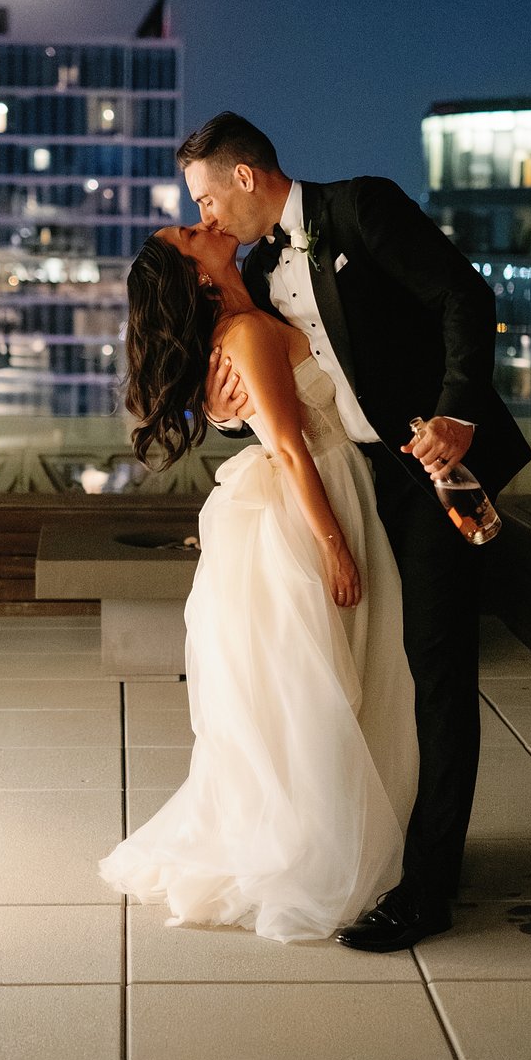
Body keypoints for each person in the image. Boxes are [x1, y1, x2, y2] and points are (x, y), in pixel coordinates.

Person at [180, 111, 531, 952]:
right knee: (370, 672)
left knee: (437, 664)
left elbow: (463, 295)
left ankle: (430, 887)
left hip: (429, 473)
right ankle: (379, 841)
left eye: (204, 196)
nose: (206, 217)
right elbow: (280, 385)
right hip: (353, 485)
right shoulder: (259, 270)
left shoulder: (361, 208)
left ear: (244, 176)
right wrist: (229, 420)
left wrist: (456, 412)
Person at [97, 221, 419, 943]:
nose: (203, 222)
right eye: (189, 232)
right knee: (315, 688)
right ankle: (315, 848)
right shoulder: (242, 331)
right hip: (311, 504)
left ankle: (326, 833)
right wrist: (336, 547)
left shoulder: (253, 307)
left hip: (306, 495)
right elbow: (295, 449)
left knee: (310, 685)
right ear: (196, 277)